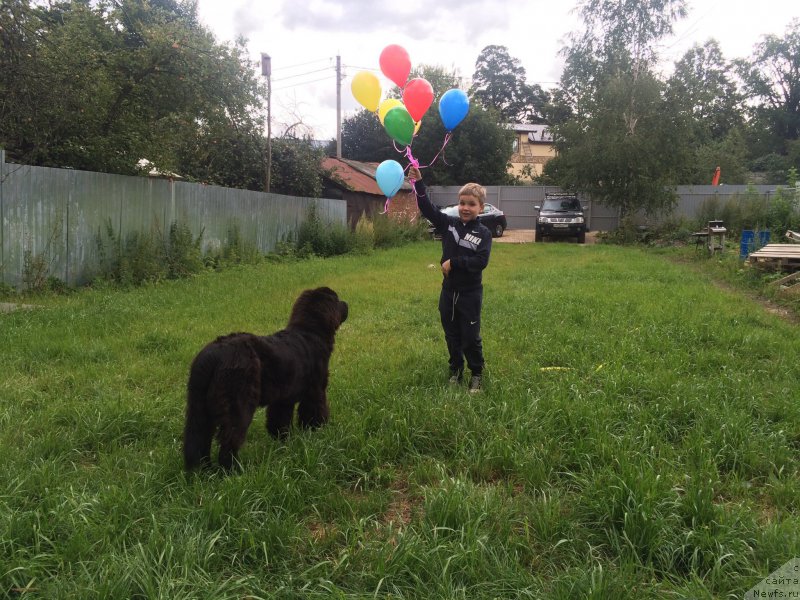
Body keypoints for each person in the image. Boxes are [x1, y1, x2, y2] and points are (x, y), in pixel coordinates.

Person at [409, 166, 492, 393]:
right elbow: (427, 208)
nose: (465, 208)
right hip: (448, 293)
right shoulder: (449, 225)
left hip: (470, 295)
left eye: (471, 204)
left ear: (481, 208)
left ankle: (476, 374)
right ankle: (455, 370)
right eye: (462, 203)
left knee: (470, 337)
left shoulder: (483, 234)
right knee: (451, 334)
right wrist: (419, 183)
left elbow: (481, 262)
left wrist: (454, 262)